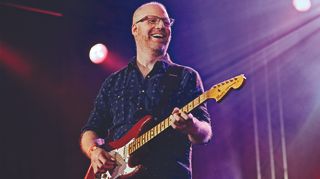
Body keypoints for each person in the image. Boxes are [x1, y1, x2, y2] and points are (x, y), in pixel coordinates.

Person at [80, 2, 212, 179]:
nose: (161, 26)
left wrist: (191, 125)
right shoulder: (114, 82)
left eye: (166, 22)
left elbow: (205, 134)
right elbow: (91, 129)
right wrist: (94, 151)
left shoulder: (185, 76)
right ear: (135, 29)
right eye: (152, 20)